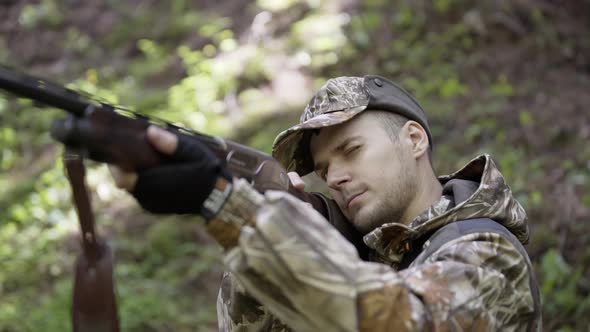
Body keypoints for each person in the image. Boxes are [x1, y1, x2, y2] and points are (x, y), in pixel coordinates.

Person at [110, 75, 541, 331]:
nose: (334, 177)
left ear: (414, 139)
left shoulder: (487, 253)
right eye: (323, 167)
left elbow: (394, 318)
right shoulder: (362, 254)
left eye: (351, 151)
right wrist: (284, 229)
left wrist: (233, 207)